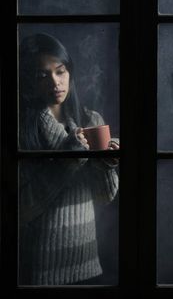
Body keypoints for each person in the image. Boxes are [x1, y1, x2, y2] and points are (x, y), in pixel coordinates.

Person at [19, 33, 119, 285]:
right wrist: (69, 160)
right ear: (30, 82)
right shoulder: (22, 129)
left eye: (60, 71)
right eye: (43, 75)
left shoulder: (90, 120)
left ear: (69, 73)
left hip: (87, 262)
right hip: (38, 266)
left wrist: (107, 163)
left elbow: (104, 196)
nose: (55, 82)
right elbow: (20, 208)